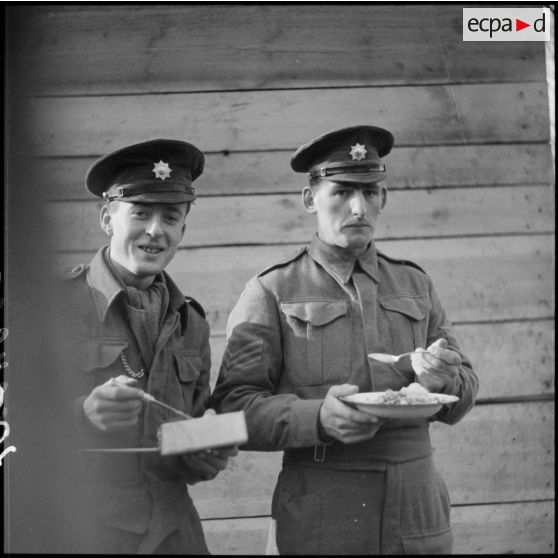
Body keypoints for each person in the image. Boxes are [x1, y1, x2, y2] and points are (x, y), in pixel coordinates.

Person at [210, 125, 478, 555]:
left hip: (417, 506)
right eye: (341, 191)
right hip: (323, 507)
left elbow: (464, 390)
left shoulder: (415, 283)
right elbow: (232, 406)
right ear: (310, 198)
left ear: (383, 198)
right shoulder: (272, 290)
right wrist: (317, 417)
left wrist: (443, 379)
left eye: (370, 192)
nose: (358, 207)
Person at [54, 139, 237, 554]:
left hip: (175, 535)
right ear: (107, 219)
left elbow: (183, 437)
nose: (155, 231)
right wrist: (81, 412)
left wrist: (204, 453)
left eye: (170, 217)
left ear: (182, 231)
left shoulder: (191, 322)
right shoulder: (52, 304)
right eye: (140, 213)